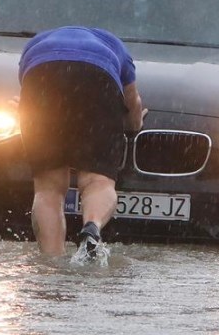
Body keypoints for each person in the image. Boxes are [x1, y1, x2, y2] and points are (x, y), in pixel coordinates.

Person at [17, 26, 146, 257]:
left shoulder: (35, 45)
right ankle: (92, 227)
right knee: (98, 181)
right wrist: (134, 125)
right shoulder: (115, 47)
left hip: (42, 73)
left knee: (49, 187)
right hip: (98, 75)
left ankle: (52, 260)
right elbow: (132, 102)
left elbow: (27, 91)